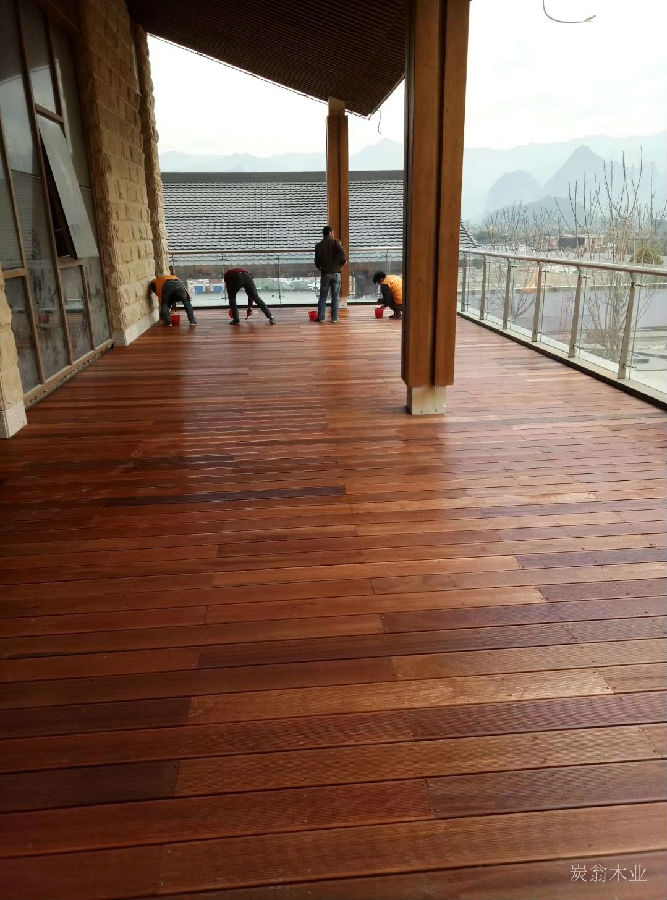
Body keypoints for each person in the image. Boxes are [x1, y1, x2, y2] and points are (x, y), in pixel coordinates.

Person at [314, 225, 347, 322]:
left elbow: (317, 261)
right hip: (336, 273)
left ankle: (321, 317)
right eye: (333, 232)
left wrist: (320, 267)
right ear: (330, 233)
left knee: (323, 297)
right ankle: (335, 319)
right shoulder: (336, 242)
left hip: (325, 274)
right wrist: (343, 262)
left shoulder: (318, 245)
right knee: (335, 297)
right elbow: (343, 253)